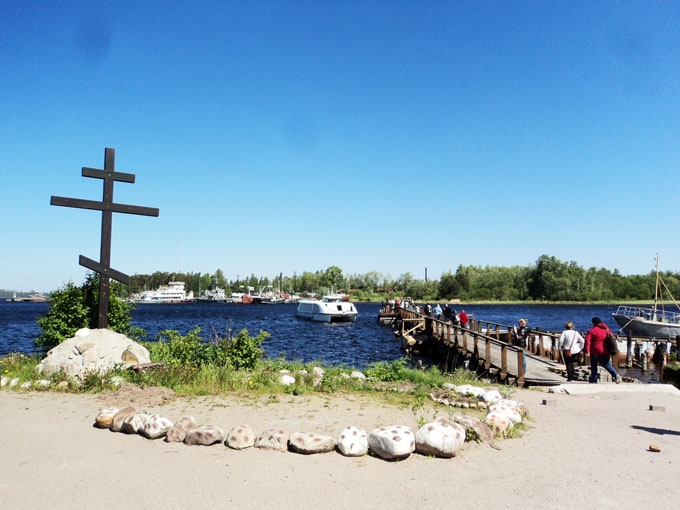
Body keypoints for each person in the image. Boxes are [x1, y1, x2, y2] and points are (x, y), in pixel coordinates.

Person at [585, 317, 621, 384]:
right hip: (605, 350)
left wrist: (587, 351)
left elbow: (587, 341)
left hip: (595, 350)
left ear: (593, 323)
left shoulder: (592, 331)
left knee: (594, 365)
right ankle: (615, 374)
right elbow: (612, 337)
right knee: (607, 364)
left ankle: (594, 380)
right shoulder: (607, 329)